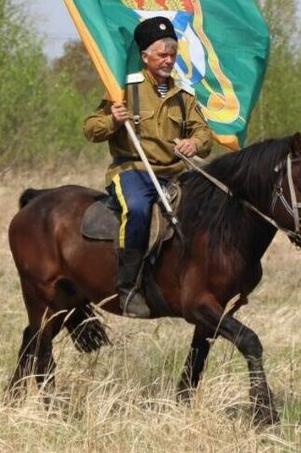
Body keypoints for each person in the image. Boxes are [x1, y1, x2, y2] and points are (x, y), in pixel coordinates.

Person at [83, 16, 213, 317]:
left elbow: (204, 134)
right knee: (139, 210)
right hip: (133, 172)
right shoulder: (123, 91)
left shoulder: (184, 97)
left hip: (176, 175)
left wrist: (194, 144)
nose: (169, 60)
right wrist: (113, 120)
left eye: (172, 53)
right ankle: (128, 287)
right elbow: (90, 129)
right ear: (145, 56)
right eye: (162, 54)